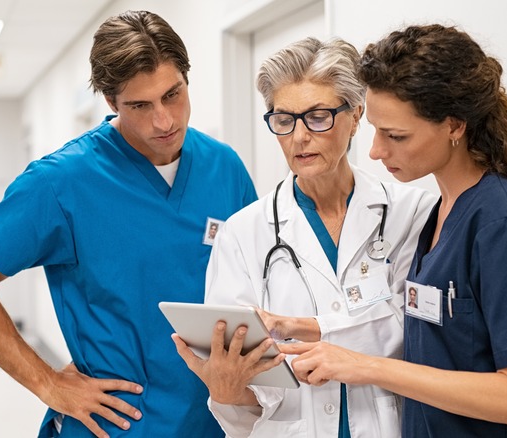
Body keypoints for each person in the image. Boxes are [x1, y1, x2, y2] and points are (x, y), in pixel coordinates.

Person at [0, 10, 256, 438]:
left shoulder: (225, 167)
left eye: (173, 94)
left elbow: (258, 282)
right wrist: (46, 382)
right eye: (139, 105)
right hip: (118, 424)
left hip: (216, 422)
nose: (164, 120)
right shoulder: (60, 183)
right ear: (110, 102)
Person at [280, 24, 507, 437]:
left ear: (454, 125)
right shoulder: (440, 214)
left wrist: (367, 368)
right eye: (377, 131)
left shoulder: (503, 222)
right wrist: (312, 328)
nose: (377, 151)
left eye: (396, 135)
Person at [172, 37, 435, 438]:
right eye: (283, 119)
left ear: (356, 114)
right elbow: (244, 395)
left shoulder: (410, 212)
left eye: (317, 117)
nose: (298, 137)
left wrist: (311, 327)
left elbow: (415, 333)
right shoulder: (243, 234)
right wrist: (226, 389)